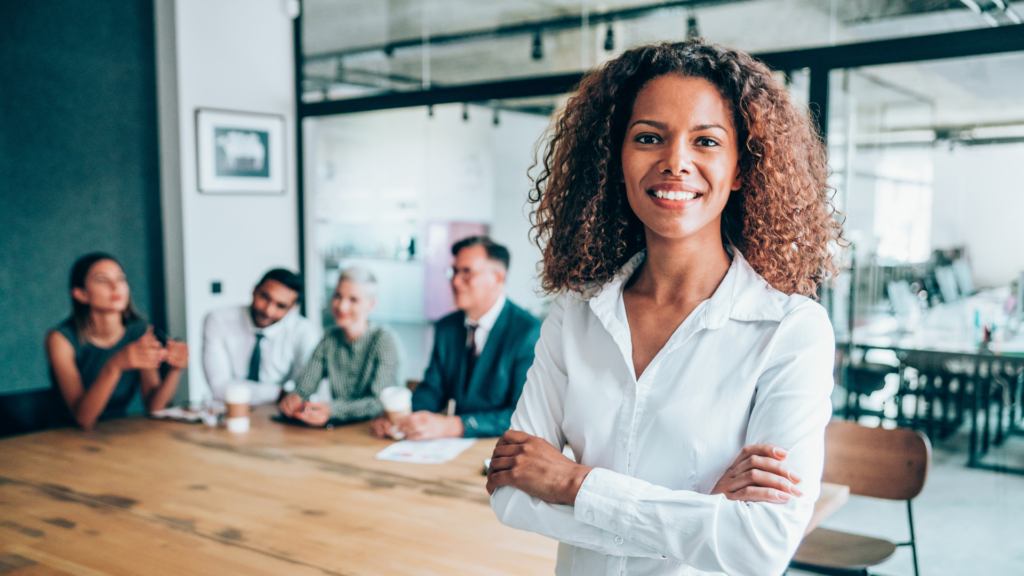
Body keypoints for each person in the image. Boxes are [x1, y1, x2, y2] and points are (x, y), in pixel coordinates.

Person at [486, 40, 845, 576]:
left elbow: (761, 546)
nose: (675, 162)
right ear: (617, 156)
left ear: (742, 167)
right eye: (649, 137)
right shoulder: (575, 314)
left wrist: (569, 483)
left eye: (706, 141)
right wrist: (701, 519)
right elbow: (511, 496)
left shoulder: (790, 331)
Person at [371, 236, 541, 440]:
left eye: (467, 272)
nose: (455, 281)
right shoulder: (447, 327)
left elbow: (522, 414)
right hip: (452, 450)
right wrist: (401, 420)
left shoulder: (528, 332)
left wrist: (454, 426)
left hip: (502, 448)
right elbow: (433, 389)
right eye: (454, 271)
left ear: (497, 278)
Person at [46, 253, 189, 430]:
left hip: (117, 431)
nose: (115, 287)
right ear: (81, 294)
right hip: (63, 436)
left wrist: (176, 369)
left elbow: (155, 407)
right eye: (102, 280)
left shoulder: (140, 331)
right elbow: (83, 419)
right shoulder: (60, 339)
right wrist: (115, 365)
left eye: (120, 279)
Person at [279, 267, 402, 427]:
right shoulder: (329, 339)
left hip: (376, 429)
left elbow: (379, 403)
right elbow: (305, 386)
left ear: (371, 305)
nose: (342, 306)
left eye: (353, 300)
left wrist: (332, 410)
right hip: (339, 432)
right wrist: (295, 398)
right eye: (338, 296)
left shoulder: (384, 340)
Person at [203, 268, 320, 405]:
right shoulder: (218, 319)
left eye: (281, 306)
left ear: (292, 308)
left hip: (280, 414)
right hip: (230, 410)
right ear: (254, 290)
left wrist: (291, 396)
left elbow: (304, 390)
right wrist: (279, 393)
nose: (268, 311)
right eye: (265, 297)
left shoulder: (303, 331)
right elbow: (219, 387)